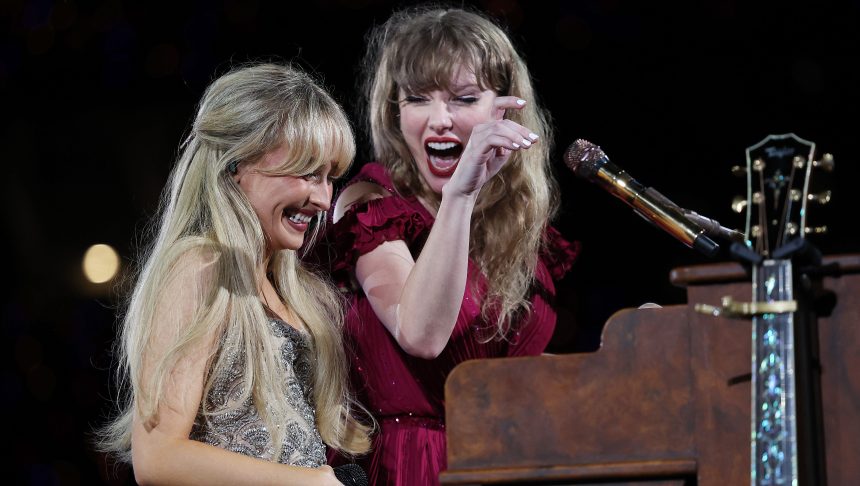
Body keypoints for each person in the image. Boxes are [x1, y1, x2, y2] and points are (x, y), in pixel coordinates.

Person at [314, 7, 579, 485]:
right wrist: (461, 193)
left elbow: (511, 375)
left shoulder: (513, 229)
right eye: (417, 99)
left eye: (463, 98)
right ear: (395, 113)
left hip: (503, 463)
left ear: (506, 107)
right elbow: (421, 333)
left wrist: (625, 364)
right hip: (409, 466)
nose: (439, 120)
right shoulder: (372, 203)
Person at [96, 62, 371, 485]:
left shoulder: (289, 286)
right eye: (305, 173)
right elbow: (157, 458)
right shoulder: (202, 268)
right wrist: (312, 482)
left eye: (328, 177)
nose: (320, 198)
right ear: (234, 167)